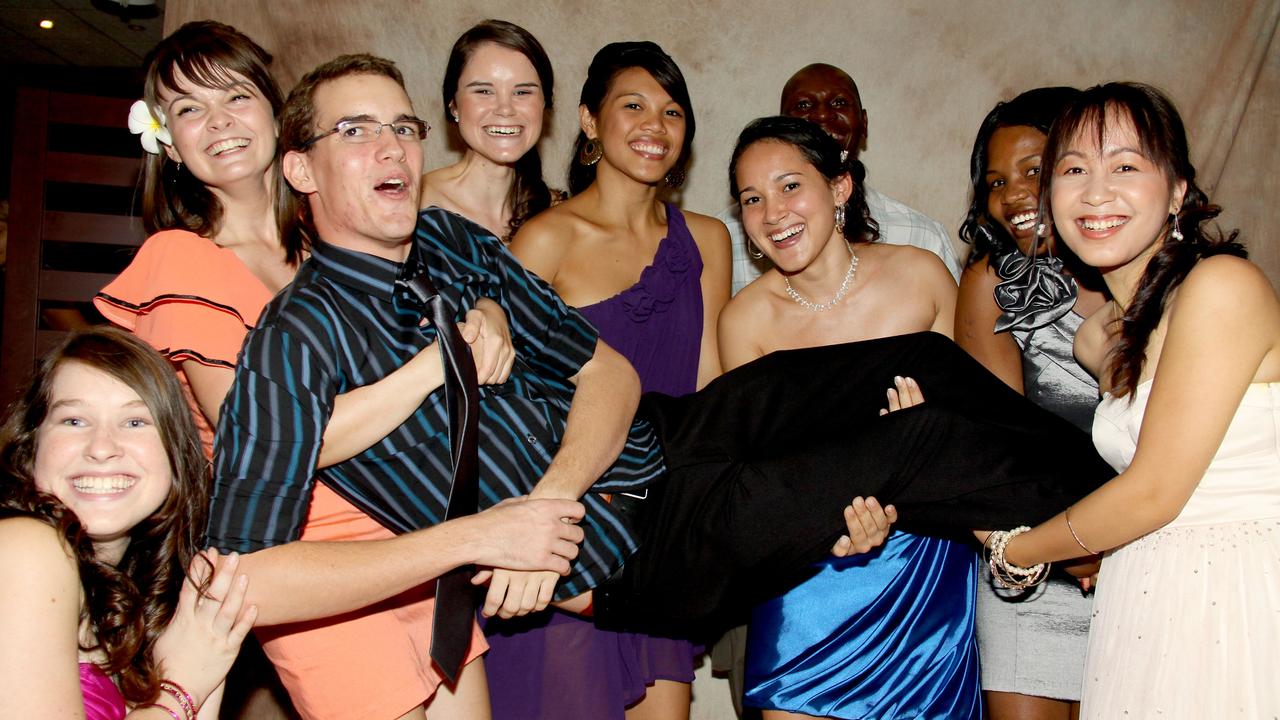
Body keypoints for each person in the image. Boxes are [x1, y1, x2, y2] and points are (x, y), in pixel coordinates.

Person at [209, 52, 1114, 712]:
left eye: (402, 126)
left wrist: (556, 492)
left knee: (916, 364)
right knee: (910, 446)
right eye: (356, 131)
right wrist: (481, 539)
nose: (393, 147)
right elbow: (248, 576)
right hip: (637, 553)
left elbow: (605, 369)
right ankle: (1119, 529)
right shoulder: (296, 341)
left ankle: (1122, 495)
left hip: (663, 438)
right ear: (299, 169)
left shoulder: (452, 244)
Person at [93, 23, 518, 720]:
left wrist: (487, 312)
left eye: (235, 95)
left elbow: (449, 280)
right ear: (168, 141)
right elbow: (261, 439)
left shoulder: (332, 239)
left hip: (409, 526)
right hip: (304, 558)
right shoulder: (181, 259)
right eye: (190, 109)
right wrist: (436, 366)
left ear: (273, 109)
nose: (220, 123)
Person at [978, 82, 1280, 717]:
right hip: (1143, 593)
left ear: (1176, 190)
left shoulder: (1223, 286)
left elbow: (1154, 491)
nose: (1095, 192)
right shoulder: (1102, 338)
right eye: (1073, 170)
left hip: (1235, 593)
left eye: (1124, 166)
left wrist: (1019, 550)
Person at [716, 115, 977, 719]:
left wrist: (924, 445)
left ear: (839, 188)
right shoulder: (744, 322)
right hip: (807, 581)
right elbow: (758, 477)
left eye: (789, 186)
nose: (772, 211)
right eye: (751, 199)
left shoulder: (922, 277)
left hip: (922, 570)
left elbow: (976, 433)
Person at [503, 39, 729, 720]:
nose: (654, 126)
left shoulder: (708, 241)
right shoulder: (544, 241)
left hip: (662, 537)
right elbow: (503, 405)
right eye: (632, 106)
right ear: (590, 121)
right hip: (571, 531)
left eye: (671, 112)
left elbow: (711, 395)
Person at [0, 327, 254, 719]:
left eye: (135, 422)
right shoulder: (24, 547)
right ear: (30, 448)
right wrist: (182, 686)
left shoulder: (136, 608)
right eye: (74, 421)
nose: (102, 447)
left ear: (176, 458)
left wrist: (204, 660)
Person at [953, 86, 1105, 719]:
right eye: (995, 180)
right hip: (1035, 566)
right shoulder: (990, 284)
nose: (1012, 194)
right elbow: (991, 447)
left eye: (1034, 171)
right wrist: (1066, 546)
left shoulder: (1157, 276)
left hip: (1156, 558)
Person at [721, 63, 961, 294]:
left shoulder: (922, 237)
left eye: (839, 102)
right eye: (804, 105)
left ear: (863, 123)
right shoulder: (725, 240)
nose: (822, 115)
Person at [420, 19, 561, 242]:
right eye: (484, 91)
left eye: (522, 92)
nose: (505, 109)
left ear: (544, 104)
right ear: (453, 105)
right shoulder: (415, 203)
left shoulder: (556, 212)